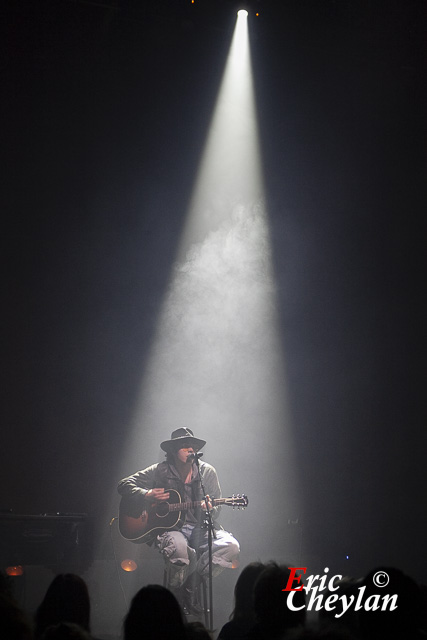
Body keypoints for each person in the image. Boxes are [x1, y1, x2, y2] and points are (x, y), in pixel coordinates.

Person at [117, 427, 240, 613]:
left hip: (201, 528)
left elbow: (217, 506)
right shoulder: (160, 471)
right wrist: (146, 494)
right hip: (171, 529)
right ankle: (174, 595)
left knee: (231, 546)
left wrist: (211, 509)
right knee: (179, 547)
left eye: (192, 446)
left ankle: (190, 587)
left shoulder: (207, 472)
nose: (190, 449)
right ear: (173, 452)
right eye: (184, 446)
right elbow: (124, 484)